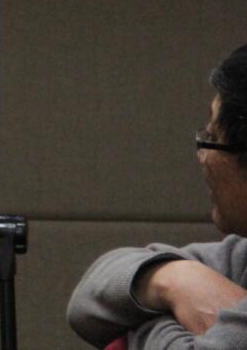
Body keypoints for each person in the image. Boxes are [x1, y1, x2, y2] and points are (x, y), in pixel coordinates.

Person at [68, 43, 247, 349]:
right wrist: (174, 278)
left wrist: (147, 323)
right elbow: (88, 299)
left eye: (212, 139)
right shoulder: (240, 257)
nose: (202, 156)